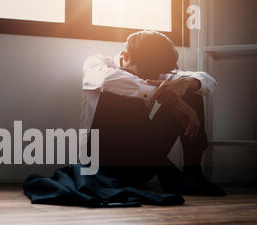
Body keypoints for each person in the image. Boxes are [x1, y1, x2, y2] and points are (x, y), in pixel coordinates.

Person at [81, 30, 225, 196]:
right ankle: (170, 175)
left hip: (142, 164)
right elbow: (104, 80)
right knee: (118, 95)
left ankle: (193, 173)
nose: (154, 77)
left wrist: (185, 83)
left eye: (156, 74)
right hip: (100, 167)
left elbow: (209, 82)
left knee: (189, 90)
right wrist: (174, 101)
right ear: (126, 56)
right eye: (147, 74)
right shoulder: (97, 63)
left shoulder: (155, 70)